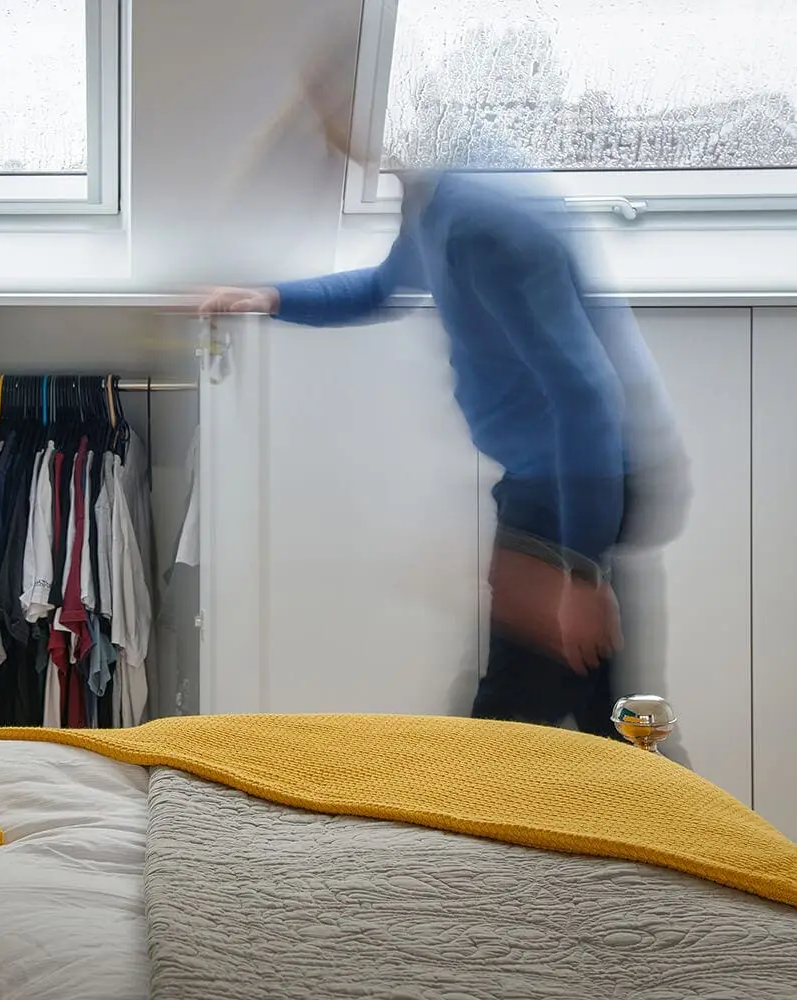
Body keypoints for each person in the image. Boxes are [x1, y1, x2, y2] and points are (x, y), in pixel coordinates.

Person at [202, 63, 691, 741]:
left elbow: (584, 396)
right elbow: (383, 286)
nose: (325, 133)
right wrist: (272, 298)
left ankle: (624, 834)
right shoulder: (435, 195)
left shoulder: (480, 221)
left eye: (335, 109)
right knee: (591, 721)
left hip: (581, 479)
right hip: (552, 481)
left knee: (512, 726)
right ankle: (652, 831)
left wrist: (582, 573)